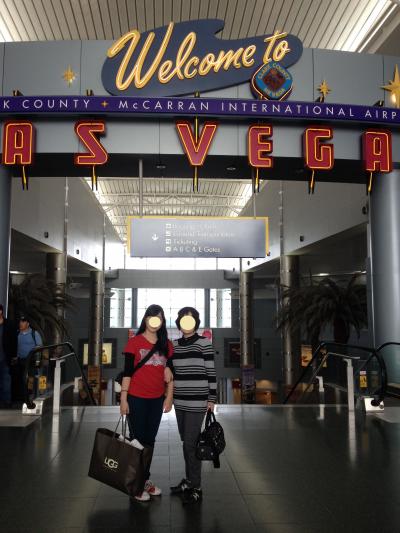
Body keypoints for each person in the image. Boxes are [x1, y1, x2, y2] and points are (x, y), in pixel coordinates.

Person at [120, 304, 174, 502]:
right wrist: (123, 398)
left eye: (159, 318)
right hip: (136, 398)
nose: (154, 321)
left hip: (156, 399)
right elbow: (127, 373)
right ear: (145, 319)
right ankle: (136, 484)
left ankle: (143, 480)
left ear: (162, 322)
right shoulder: (134, 343)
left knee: (150, 441)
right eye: (152, 317)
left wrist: (169, 397)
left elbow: (171, 374)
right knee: (138, 441)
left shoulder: (167, 345)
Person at [169, 307, 217, 504]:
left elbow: (211, 372)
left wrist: (212, 399)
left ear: (196, 322)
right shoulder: (174, 345)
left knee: (190, 443)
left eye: (190, 319)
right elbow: (171, 372)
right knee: (187, 443)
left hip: (198, 402)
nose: (186, 323)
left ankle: (196, 486)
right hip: (179, 401)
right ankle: (189, 481)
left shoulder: (204, 343)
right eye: (183, 319)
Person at [14, 315, 43, 401]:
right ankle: (21, 398)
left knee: (30, 379)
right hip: (20, 361)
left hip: (31, 361)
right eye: (20, 321)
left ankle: (30, 395)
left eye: (23, 322)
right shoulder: (17, 334)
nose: (21, 323)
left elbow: (40, 346)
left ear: (28, 323)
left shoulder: (34, 333)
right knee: (20, 379)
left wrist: (36, 355)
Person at [0, 304, 17, 408]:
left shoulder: (8, 324)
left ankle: (7, 401)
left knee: (6, 380)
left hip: (5, 357)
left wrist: (14, 355)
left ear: (1, 311)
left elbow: (13, 341)